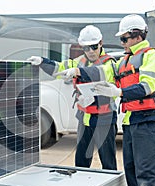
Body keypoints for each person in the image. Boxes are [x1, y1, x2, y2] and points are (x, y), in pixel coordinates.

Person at [94, 14, 155, 186]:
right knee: (131, 171)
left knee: (146, 173)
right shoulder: (124, 61)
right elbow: (102, 72)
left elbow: (147, 87)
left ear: (137, 36)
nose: (122, 43)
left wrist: (118, 93)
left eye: (124, 39)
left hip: (149, 119)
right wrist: (75, 71)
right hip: (131, 119)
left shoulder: (153, 56)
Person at [28, 25, 117, 170]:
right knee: (81, 160)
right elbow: (59, 68)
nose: (90, 51)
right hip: (84, 116)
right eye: (86, 48)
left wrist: (77, 71)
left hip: (104, 117)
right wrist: (43, 62)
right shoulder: (80, 60)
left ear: (101, 43)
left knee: (108, 161)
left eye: (94, 47)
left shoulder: (109, 62)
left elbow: (99, 72)